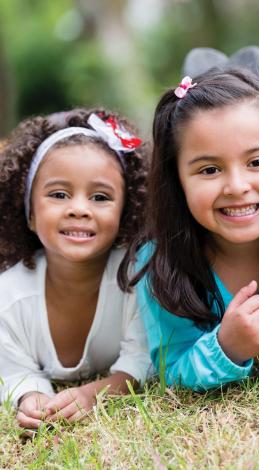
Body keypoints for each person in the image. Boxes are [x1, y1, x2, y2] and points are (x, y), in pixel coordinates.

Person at [120, 69, 259, 391]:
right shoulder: (161, 260)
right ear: (176, 182)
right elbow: (173, 367)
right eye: (210, 169)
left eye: (257, 162)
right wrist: (226, 347)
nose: (236, 186)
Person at [0, 108, 152, 430]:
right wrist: (32, 397)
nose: (79, 209)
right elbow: (13, 370)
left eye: (100, 197)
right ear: (29, 213)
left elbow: (143, 360)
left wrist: (93, 394)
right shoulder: (8, 297)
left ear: (126, 213)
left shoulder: (138, 279)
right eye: (59, 195)